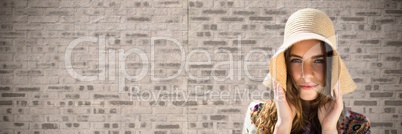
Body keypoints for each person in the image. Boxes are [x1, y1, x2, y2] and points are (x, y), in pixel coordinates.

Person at [242, 8, 371, 134]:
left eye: (318, 60)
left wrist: (329, 129)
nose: (307, 74)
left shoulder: (358, 125)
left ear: (331, 66)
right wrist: (283, 125)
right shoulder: (256, 116)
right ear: (286, 65)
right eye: (296, 61)